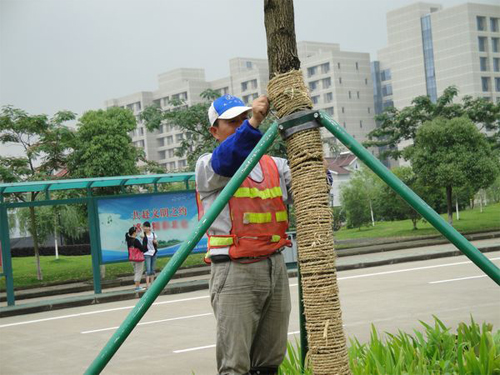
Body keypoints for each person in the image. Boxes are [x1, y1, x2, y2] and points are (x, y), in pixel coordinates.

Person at [195, 94, 292, 375]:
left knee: (270, 358)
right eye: (232, 122)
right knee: (235, 363)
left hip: (273, 265)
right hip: (234, 268)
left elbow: (308, 188)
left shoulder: (275, 165)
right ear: (215, 131)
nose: (240, 126)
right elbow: (229, 159)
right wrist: (255, 123)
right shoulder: (210, 166)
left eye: (243, 119)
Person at [125, 226, 146, 292]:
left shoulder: (128, 240)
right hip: (138, 259)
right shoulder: (136, 240)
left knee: (136, 271)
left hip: (132, 258)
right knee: (138, 272)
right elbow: (143, 249)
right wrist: (143, 239)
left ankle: (137, 285)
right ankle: (137, 287)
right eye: (136, 231)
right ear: (134, 233)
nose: (137, 232)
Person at [141, 221, 158, 289]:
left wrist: (156, 242)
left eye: (146, 227)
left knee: (153, 269)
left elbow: (157, 244)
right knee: (148, 269)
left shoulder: (154, 234)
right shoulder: (143, 234)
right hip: (147, 253)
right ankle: (147, 285)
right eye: (144, 227)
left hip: (153, 252)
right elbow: (141, 235)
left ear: (149, 227)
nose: (145, 228)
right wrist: (143, 230)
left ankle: (152, 284)